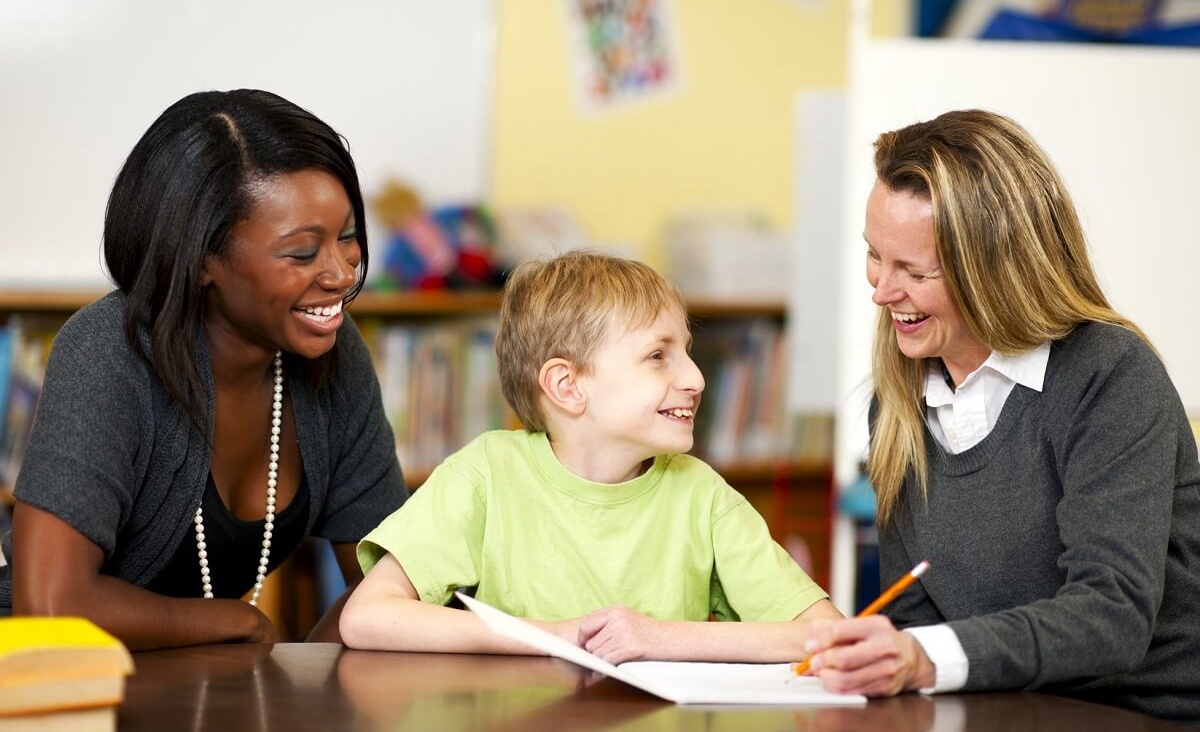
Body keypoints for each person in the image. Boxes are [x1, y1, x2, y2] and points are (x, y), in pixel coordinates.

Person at [803, 109, 1200, 724]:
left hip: (1142, 714)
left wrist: (923, 659)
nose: (882, 291)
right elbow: (913, 612)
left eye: (915, 271)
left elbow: (1111, 616)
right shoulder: (901, 401)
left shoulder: (1110, 375)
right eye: (874, 256)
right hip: (1005, 712)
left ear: (995, 270)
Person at [0, 89, 408, 649]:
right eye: (302, 253)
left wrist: (305, 682)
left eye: (346, 238)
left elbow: (396, 583)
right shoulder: (108, 351)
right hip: (43, 689)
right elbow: (50, 607)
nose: (340, 275)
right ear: (202, 259)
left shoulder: (334, 354)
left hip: (192, 692)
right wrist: (233, 622)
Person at [339, 251, 841, 660]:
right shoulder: (485, 475)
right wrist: (555, 635)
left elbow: (824, 636)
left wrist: (657, 638)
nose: (695, 379)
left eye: (686, 350)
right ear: (567, 386)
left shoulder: (702, 495)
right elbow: (368, 616)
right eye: (657, 355)